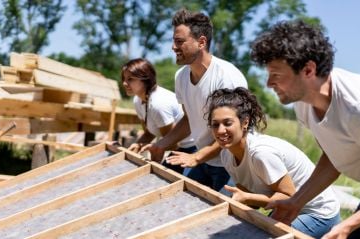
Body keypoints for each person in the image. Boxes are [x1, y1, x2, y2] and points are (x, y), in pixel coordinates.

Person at [250, 19, 360, 239]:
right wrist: (296, 202)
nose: (269, 83)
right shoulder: (303, 103)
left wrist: (347, 225)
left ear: (308, 70)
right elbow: (333, 157)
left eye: (276, 75)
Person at [206, 87, 340, 238]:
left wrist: (247, 199)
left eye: (227, 123)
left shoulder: (261, 153)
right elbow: (250, 199)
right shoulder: (226, 155)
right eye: (215, 124)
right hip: (286, 209)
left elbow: (288, 197)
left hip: (317, 212)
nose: (220, 130)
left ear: (245, 123)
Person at [142, 9, 248, 191]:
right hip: (203, 159)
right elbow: (189, 119)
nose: (173, 47)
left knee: (223, 217)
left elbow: (234, 132)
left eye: (179, 42)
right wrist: (161, 145)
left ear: (201, 42)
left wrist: (196, 157)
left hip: (231, 163)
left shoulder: (227, 77)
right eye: (174, 41)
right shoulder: (181, 77)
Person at [120, 58, 196, 174]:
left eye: (130, 79)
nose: (125, 83)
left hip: (193, 148)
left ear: (145, 79)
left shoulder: (158, 104)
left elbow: (172, 143)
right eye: (124, 79)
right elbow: (149, 132)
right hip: (178, 147)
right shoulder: (138, 100)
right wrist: (138, 144)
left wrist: (152, 146)